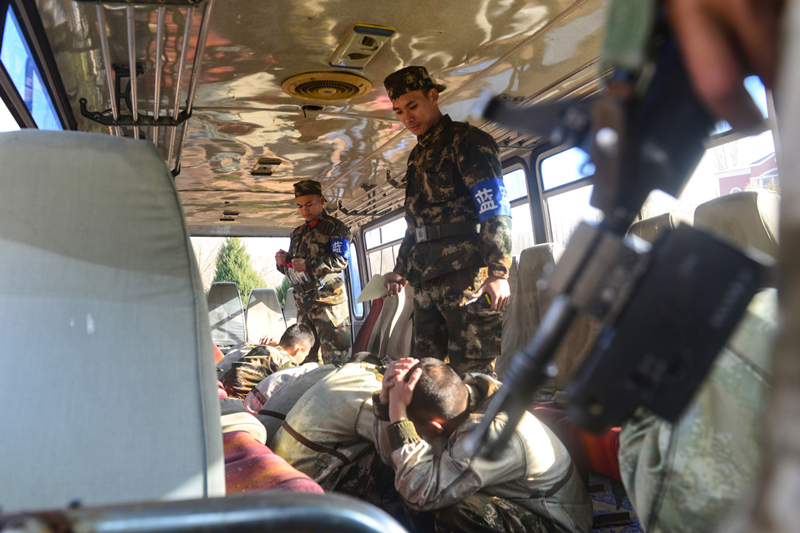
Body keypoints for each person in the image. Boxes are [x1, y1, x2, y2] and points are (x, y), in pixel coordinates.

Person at [381, 66, 512, 377]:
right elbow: (415, 222)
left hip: (464, 274)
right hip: (426, 278)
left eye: (412, 106)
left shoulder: (468, 141)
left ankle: (479, 427)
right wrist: (401, 270)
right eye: (399, 111)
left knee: (473, 372)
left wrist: (498, 271)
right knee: (425, 375)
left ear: (433, 96)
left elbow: (493, 206)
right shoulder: (417, 156)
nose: (407, 118)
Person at [372, 357, 592, 533]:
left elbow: (419, 492)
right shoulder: (460, 397)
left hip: (555, 521)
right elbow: (389, 457)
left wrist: (400, 419)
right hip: (511, 497)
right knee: (399, 471)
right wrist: (386, 402)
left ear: (436, 426)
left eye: (414, 425)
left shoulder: (490, 431)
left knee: (458, 512)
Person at [269, 358, 385, 490]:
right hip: (300, 487)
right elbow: (392, 441)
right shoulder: (374, 391)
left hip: (280, 467)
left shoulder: (342, 373)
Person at [276, 179, 353, 366]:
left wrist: (309, 265)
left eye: (309, 204)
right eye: (300, 206)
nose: (304, 210)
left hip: (328, 303)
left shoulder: (336, 228)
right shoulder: (297, 233)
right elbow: (294, 267)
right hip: (303, 303)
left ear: (322, 200)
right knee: (302, 359)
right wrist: (283, 262)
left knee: (335, 358)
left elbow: (341, 260)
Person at [220, 323, 315, 400]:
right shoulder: (287, 363)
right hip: (240, 406)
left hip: (221, 394)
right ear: (299, 349)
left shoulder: (257, 348)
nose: (303, 359)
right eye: (305, 355)